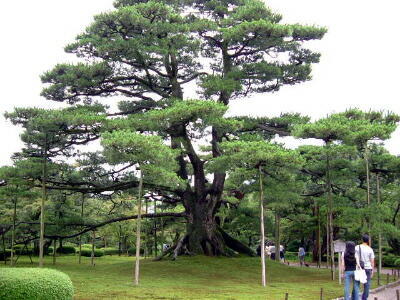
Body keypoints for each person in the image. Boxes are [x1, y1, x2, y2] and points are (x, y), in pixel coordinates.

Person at [355, 234, 375, 300]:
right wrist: (372, 270)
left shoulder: (357, 247)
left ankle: (356, 298)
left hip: (359, 268)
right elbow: (372, 261)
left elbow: (355, 256)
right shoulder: (370, 249)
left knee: (357, 283)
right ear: (368, 240)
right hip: (368, 268)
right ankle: (364, 298)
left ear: (362, 240)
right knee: (367, 284)